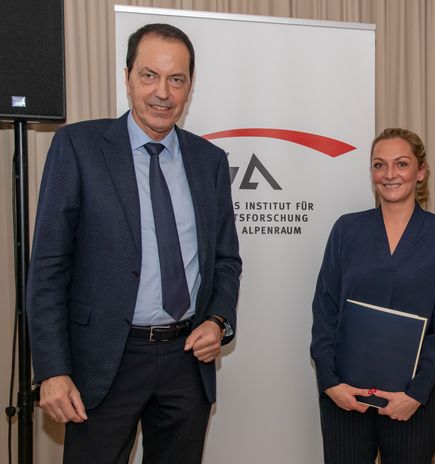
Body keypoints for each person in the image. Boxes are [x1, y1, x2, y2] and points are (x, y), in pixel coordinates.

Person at [26, 23, 242, 463]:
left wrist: (218, 320)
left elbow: (225, 260)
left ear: (190, 86)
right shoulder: (78, 147)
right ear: (127, 77)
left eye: (176, 79)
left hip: (186, 363)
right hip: (103, 361)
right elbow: (48, 266)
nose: (162, 92)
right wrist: (52, 369)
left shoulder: (210, 162)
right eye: (149, 75)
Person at [311, 128, 435, 463]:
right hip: (346, 399)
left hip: (410, 402)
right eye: (379, 165)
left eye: (402, 164)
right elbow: (325, 311)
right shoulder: (346, 230)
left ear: (421, 172)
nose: (390, 174)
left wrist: (416, 393)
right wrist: (331, 383)